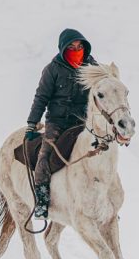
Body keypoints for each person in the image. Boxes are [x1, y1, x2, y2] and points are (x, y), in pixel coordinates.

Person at [25, 28, 96, 219]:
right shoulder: (53, 69)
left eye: (80, 46)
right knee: (44, 156)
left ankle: (103, 200)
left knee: (101, 154)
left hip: (83, 122)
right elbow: (41, 98)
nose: (76, 49)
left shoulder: (91, 66)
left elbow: (102, 89)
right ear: (63, 49)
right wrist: (32, 123)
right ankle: (41, 200)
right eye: (72, 47)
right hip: (58, 122)